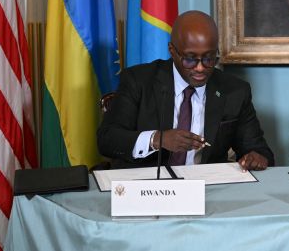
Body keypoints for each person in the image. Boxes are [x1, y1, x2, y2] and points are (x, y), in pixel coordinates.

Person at [97, 10, 274, 170]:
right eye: (190, 59)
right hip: (148, 187)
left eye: (209, 58)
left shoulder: (235, 91)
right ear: (172, 51)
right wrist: (157, 139)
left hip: (207, 188)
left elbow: (259, 151)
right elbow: (107, 139)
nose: (200, 68)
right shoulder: (139, 81)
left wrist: (256, 158)